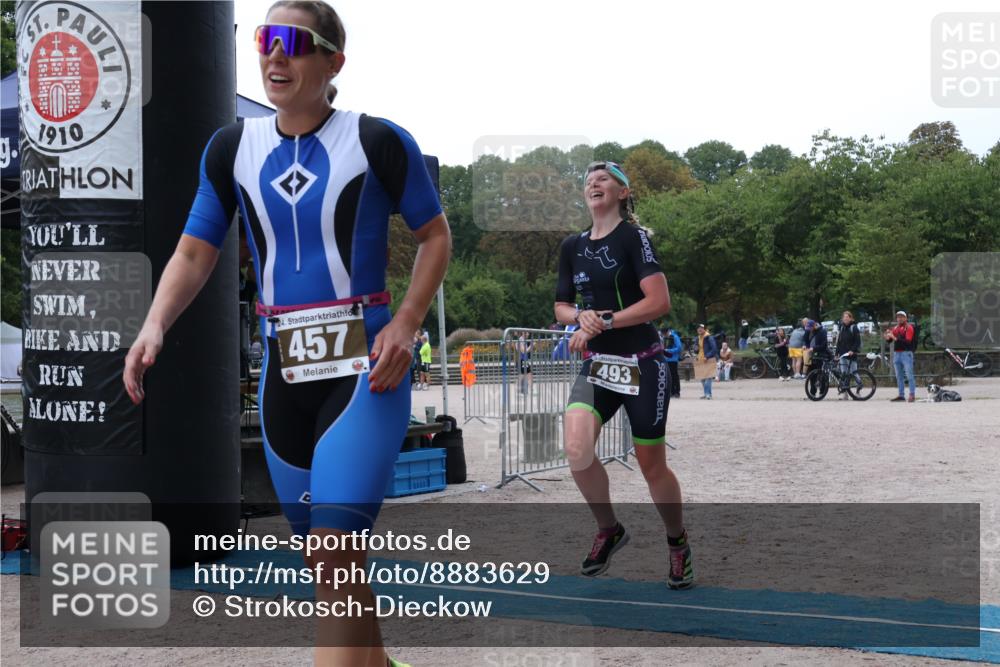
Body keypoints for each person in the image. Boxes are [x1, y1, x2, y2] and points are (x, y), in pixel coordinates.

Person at [122, 3, 451, 664]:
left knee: (333, 545)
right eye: (267, 39)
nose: (275, 55)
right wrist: (154, 323)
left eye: (295, 43)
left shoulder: (379, 141)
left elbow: (435, 236)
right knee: (329, 558)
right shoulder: (231, 149)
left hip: (367, 364)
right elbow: (194, 252)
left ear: (334, 62)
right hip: (283, 373)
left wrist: (410, 322)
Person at [554, 160, 693, 590]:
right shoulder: (571, 246)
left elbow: (659, 301)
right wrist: (580, 317)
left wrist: (606, 321)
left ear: (623, 193)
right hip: (598, 366)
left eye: (604, 180)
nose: (594, 184)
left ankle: (677, 543)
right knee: (576, 449)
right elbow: (560, 307)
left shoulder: (635, 238)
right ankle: (609, 528)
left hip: (643, 362)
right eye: (588, 181)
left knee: (652, 466)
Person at [886, 310, 917, 402]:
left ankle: (912, 394)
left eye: (901, 317)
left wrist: (894, 337)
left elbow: (907, 342)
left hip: (906, 353)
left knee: (909, 375)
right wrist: (888, 337)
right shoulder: (895, 328)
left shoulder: (909, 327)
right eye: (898, 317)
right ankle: (901, 395)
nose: (899, 318)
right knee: (899, 376)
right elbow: (890, 341)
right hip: (897, 353)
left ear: (905, 318)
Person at [835, 311, 861, 399]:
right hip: (843, 354)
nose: (845, 319)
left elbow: (857, 341)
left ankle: (858, 390)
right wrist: (836, 353)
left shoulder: (854, 328)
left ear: (850, 318)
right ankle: (845, 393)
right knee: (844, 373)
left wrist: (852, 350)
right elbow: (839, 342)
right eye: (844, 317)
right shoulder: (842, 328)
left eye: (847, 317)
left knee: (854, 372)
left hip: (851, 354)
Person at [695, 323, 718, 398]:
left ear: (704, 329)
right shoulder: (698, 338)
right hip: (700, 359)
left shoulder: (709, 337)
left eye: (701, 328)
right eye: (698, 328)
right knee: (702, 378)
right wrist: (695, 348)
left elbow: (714, 349)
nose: (699, 329)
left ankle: (708, 394)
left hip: (708, 359)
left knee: (708, 377)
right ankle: (706, 394)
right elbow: (697, 348)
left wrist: (707, 356)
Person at [662, 326, 683, 397]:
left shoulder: (675, 337)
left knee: (674, 376)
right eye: (663, 334)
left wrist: (669, 351)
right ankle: (671, 391)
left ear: (668, 331)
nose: (664, 335)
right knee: (668, 376)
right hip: (666, 359)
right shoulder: (664, 338)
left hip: (673, 359)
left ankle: (677, 392)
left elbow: (679, 348)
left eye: (665, 334)